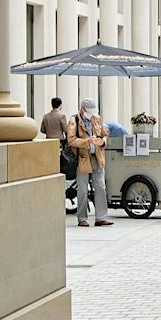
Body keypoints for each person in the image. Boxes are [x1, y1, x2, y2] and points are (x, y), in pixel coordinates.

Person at [66, 98, 114, 230]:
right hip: (82, 159)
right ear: (83, 109)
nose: (92, 113)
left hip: (97, 157)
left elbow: (104, 135)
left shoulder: (97, 118)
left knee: (101, 187)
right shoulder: (74, 120)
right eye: (89, 111)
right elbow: (71, 140)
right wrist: (86, 141)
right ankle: (82, 218)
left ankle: (101, 217)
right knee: (82, 189)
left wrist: (102, 141)